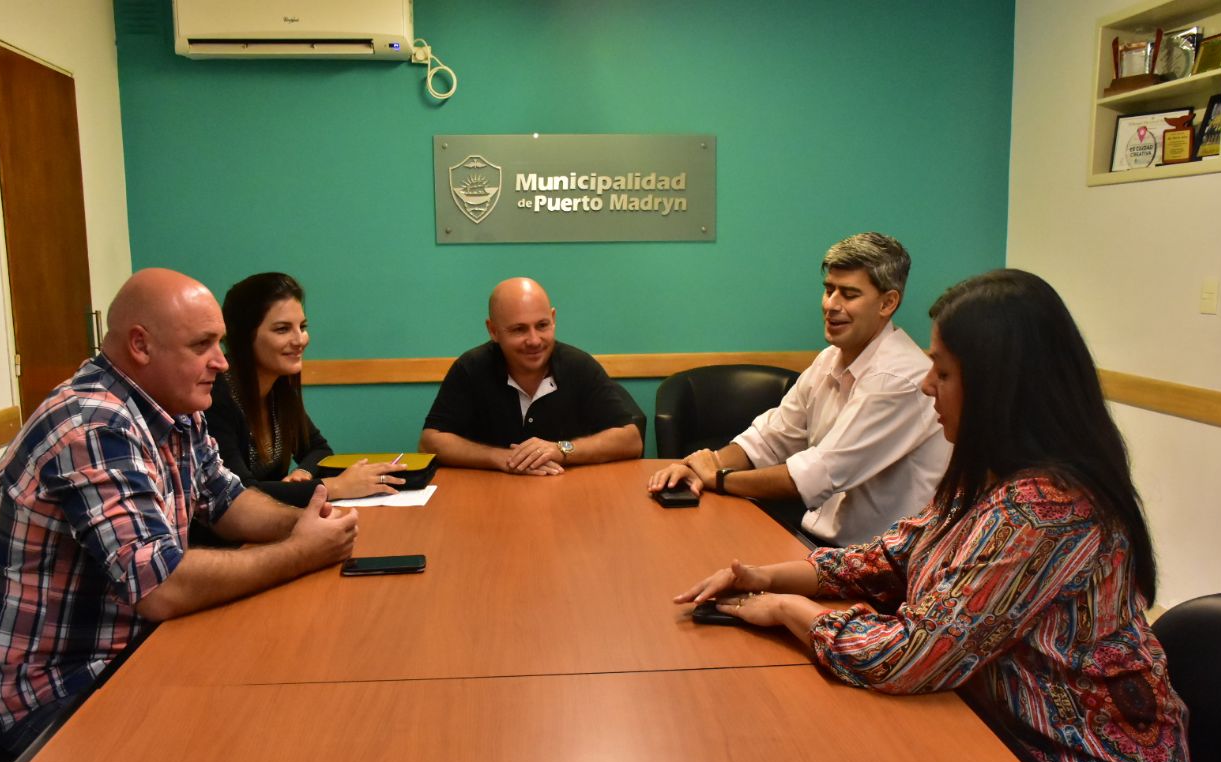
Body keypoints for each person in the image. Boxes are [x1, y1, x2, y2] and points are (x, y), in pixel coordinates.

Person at [675, 270, 1191, 762]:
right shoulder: (989, 476)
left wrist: (789, 611)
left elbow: (914, 656)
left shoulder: (1047, 507)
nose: (926, 387)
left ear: (1001, 388)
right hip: (998, 735)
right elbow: (892, 554)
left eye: (943, 372)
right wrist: (762, 576)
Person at [0, 268, 359, 754]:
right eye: (202, 345)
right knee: (253, 746)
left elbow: (227, 501)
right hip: (57, 688)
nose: (221, 362)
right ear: (140, 345)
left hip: (135, 648)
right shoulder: (91, 425)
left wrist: (304, 526)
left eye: (220, 343)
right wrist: (300, 552)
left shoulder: (177, 406)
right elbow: (161, 587)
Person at [648, 232, 950, 546]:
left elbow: (818, 474)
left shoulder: (897, 378)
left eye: (849, 294)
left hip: (880, 561)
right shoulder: (829, 360)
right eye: (829, 289)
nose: (831, 305)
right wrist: (703, 466)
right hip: (821, 543)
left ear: (888, 303)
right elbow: (770, 438)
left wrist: (719, 479)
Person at [207, 272, 405, 507]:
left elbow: (318, 449)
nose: (299, 339)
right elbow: (240, 494)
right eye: (282, 329)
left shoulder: (279, 386)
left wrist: (304, 473)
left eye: (302, 326)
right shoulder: (215, 397)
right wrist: (335, 486)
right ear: (244, 337)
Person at [420, 277, 643, 474]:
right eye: (519, 329)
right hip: (491, 497)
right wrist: (500, 458)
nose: (534, 340)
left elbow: (630, 440)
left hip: (570, 497)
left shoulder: (580, 365)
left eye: (542, 325)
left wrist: (560, 449)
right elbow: (431, 442)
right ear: (493, 330)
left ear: (553, 318)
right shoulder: (471, 367)